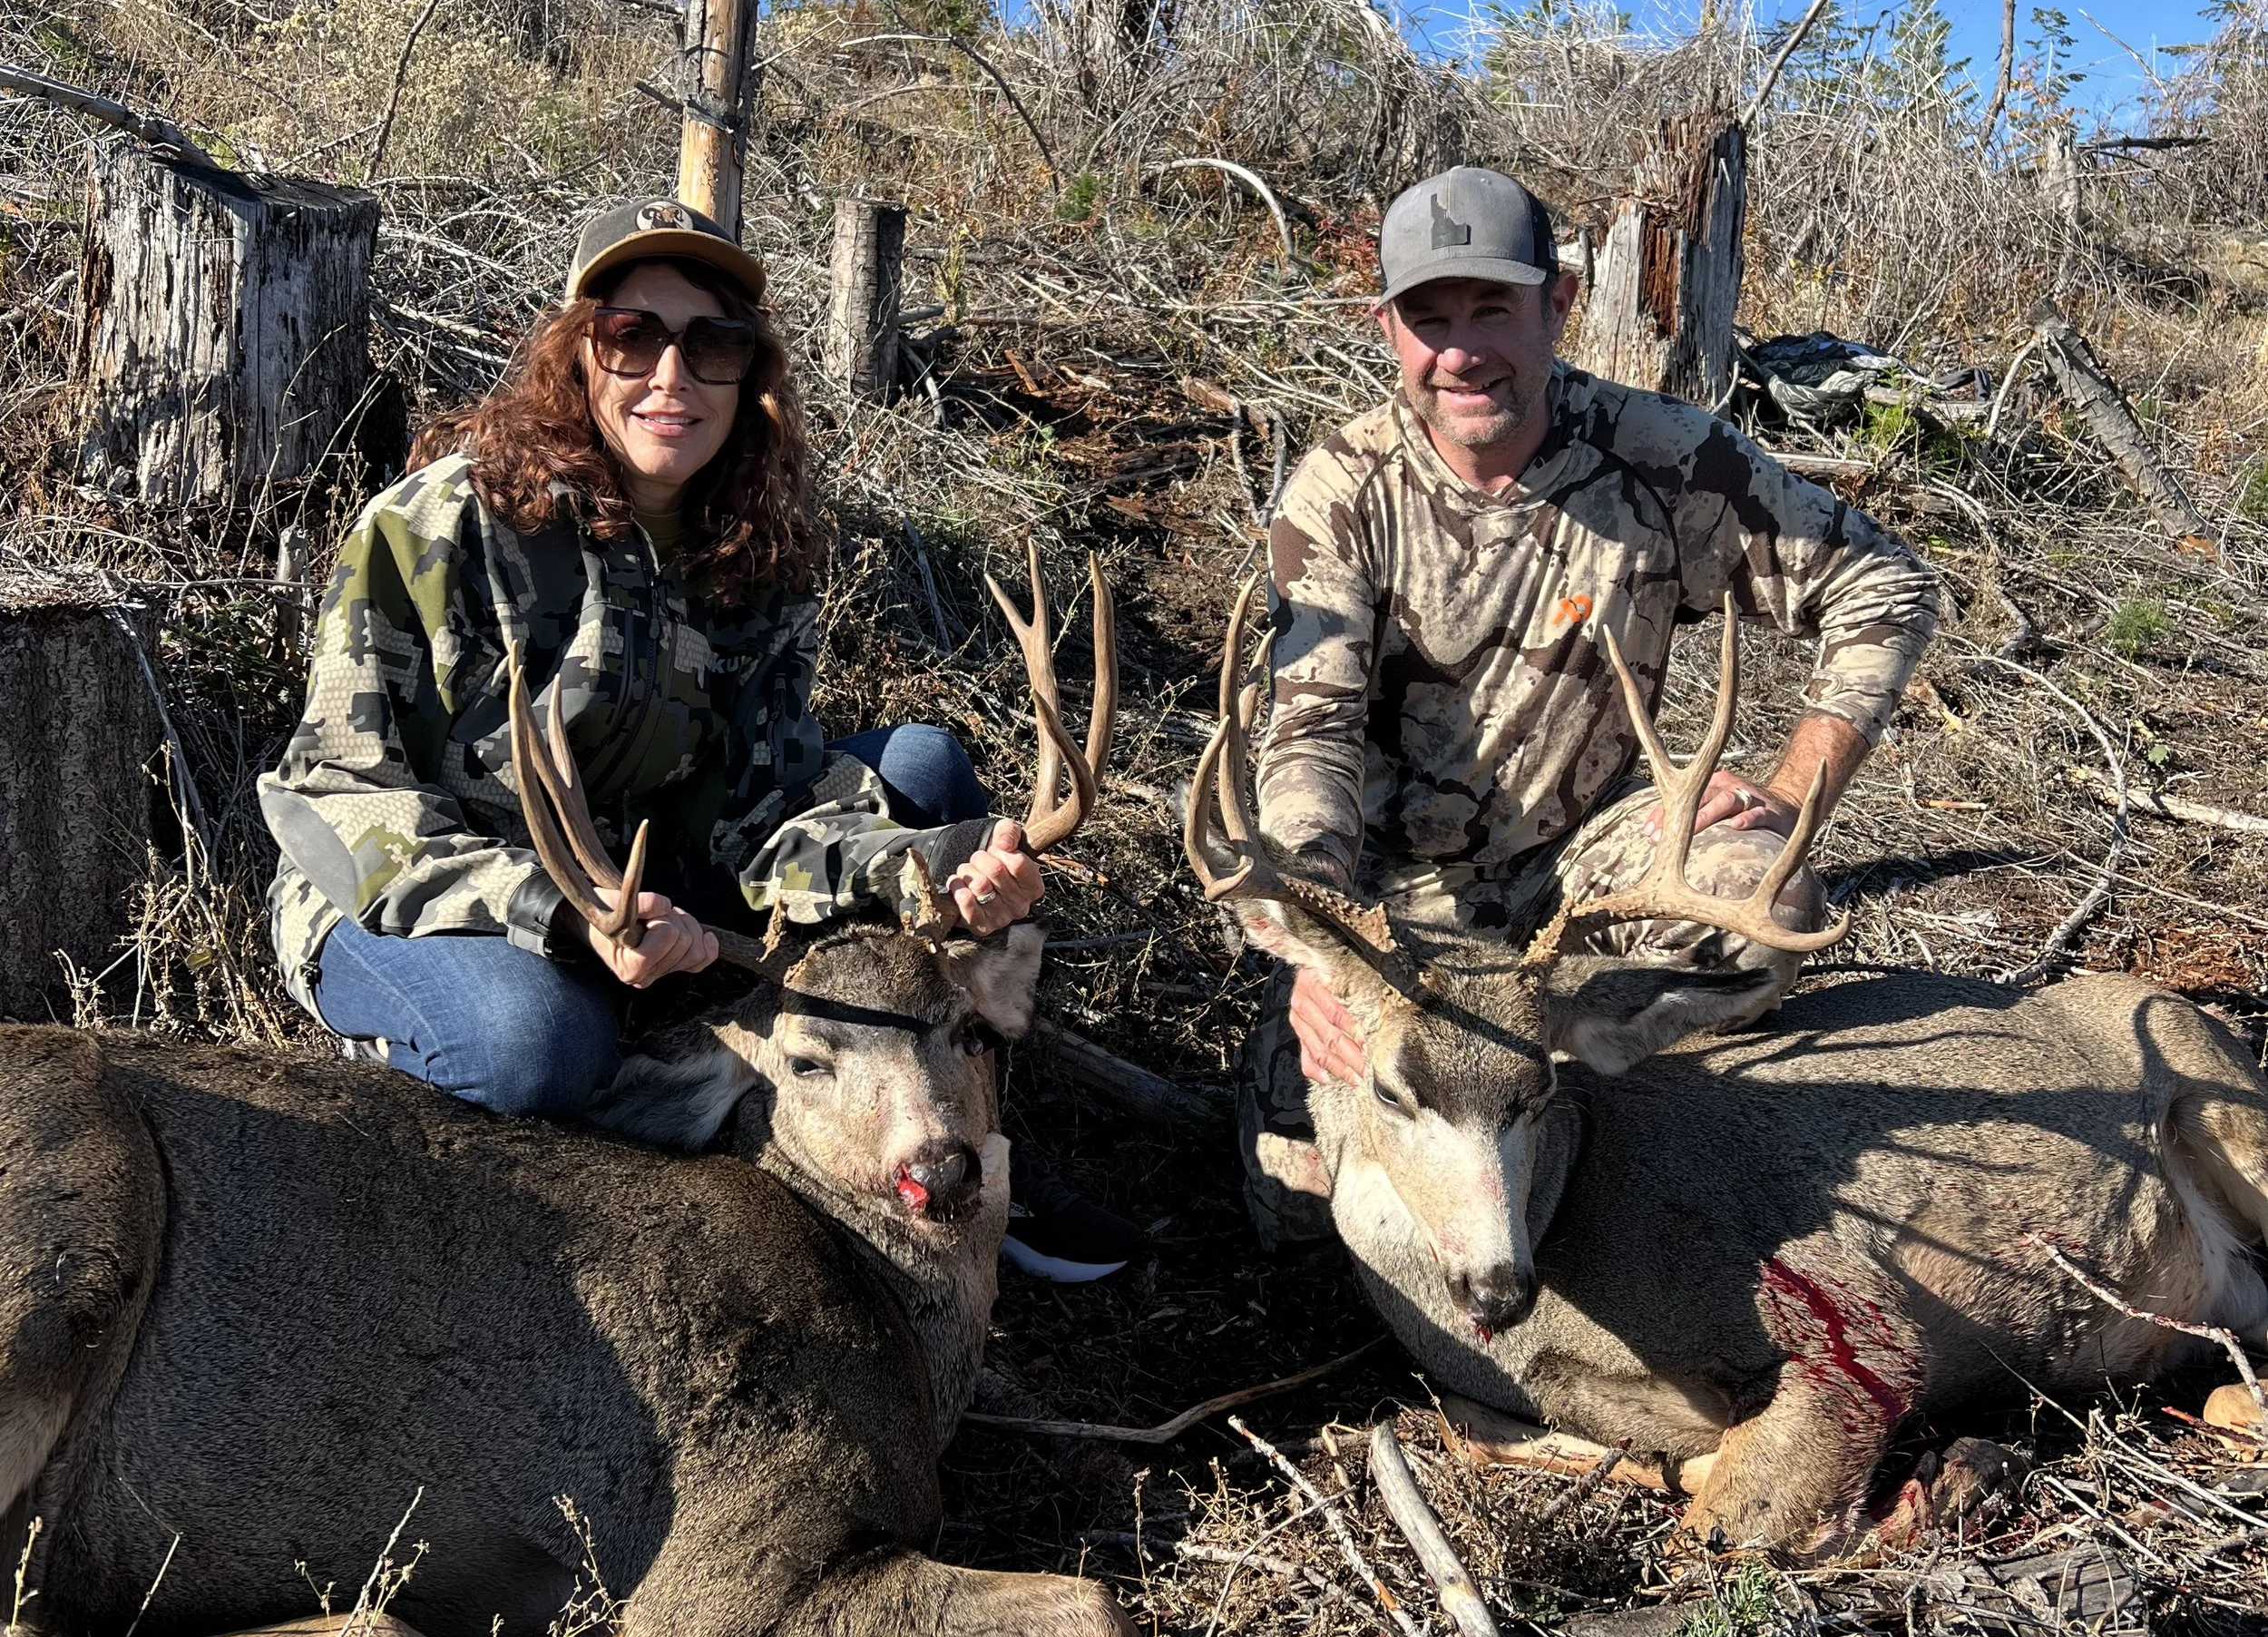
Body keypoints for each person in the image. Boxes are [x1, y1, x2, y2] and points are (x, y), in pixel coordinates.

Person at [261, 194, 1139, 1278]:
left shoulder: (751, 550)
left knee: (925, 776)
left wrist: (929, 877)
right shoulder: (439, 527)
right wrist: (563, 916)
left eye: (710, 342)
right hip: (421, 902)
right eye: (632, 336)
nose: (669, 375)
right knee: (534, 1048)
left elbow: (765, 815)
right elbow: (339, 796)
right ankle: (434, 1100)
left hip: (666, 891)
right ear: (578, 354)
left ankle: (965, 1149)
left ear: (747, 372)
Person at [1244, 162, 1939, 1240]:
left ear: (1557, 304)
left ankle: (1608, 1139)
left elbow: (1883, 584)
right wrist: (1322, 951)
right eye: (1429, 318)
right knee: (1293, 1218)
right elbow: (1309, 743)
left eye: (1493, 309)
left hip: (1589, 883)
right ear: (1387, 329)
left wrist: (1793, 792)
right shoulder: (1341, 493)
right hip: (1395, 907)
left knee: (1763, 912)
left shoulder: (1666, 460)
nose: (1462, 351)